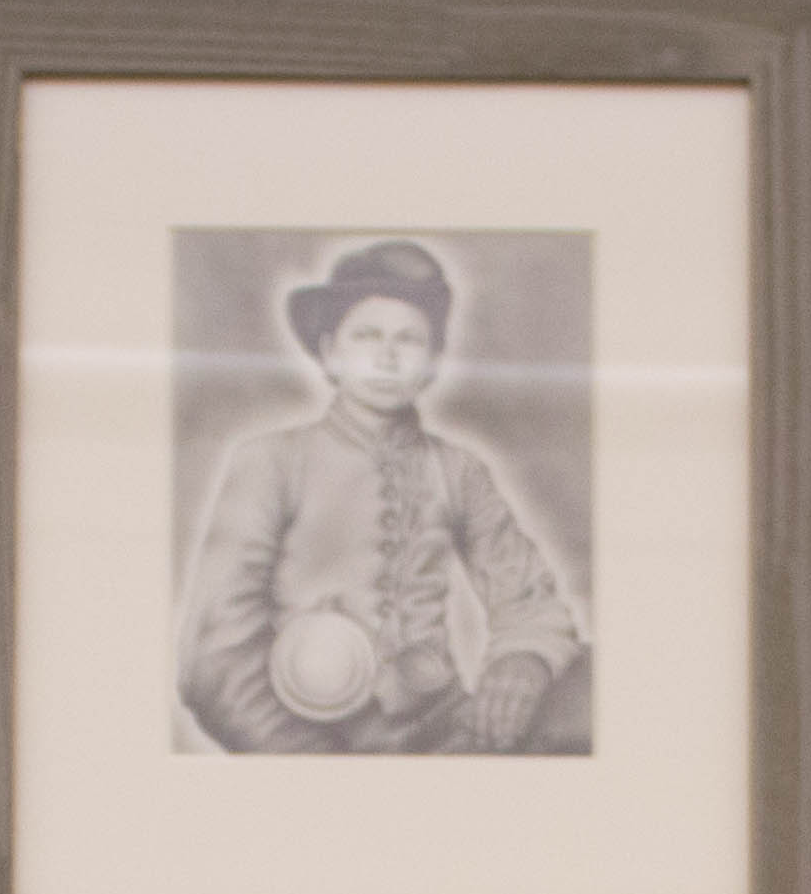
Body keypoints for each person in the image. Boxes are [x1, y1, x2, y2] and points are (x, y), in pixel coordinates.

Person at [175, 237, 590, 757]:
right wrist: (304, 761)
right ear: (331, 355)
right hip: (306, 736)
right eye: (367, 336)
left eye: (409, 340)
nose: (387, 357)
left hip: (445, 733)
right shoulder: (271, 459)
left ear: (434, 363)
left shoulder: (459, 470)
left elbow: (528, 597)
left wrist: (522, 661)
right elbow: (215, 659)